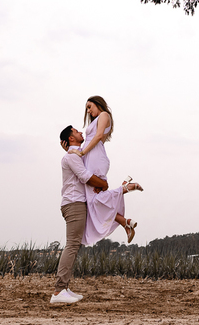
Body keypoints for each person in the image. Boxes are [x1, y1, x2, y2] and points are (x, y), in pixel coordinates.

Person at [72, 95, 143, 244]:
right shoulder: (97, 120)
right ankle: (125, 222)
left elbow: (98, 137)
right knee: (94, 200)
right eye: (87, 109)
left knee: (94, 200)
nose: (89, 111)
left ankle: (126, 188)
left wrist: (83, 153)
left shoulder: (104, 115)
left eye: (90, 107)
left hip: (95, 157)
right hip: (91, 158)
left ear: (98, 104)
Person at [53, 124, 108, 305]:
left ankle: (65, 287)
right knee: (72, 245)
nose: (81, 132)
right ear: (70, 138)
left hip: (76, 203)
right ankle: (59, 290)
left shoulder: (75, 154)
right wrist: (104, 184)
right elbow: (85, 176)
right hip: (74, 203)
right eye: (76, 131)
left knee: (75, 245)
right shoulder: (71, 158)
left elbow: (85, 154)